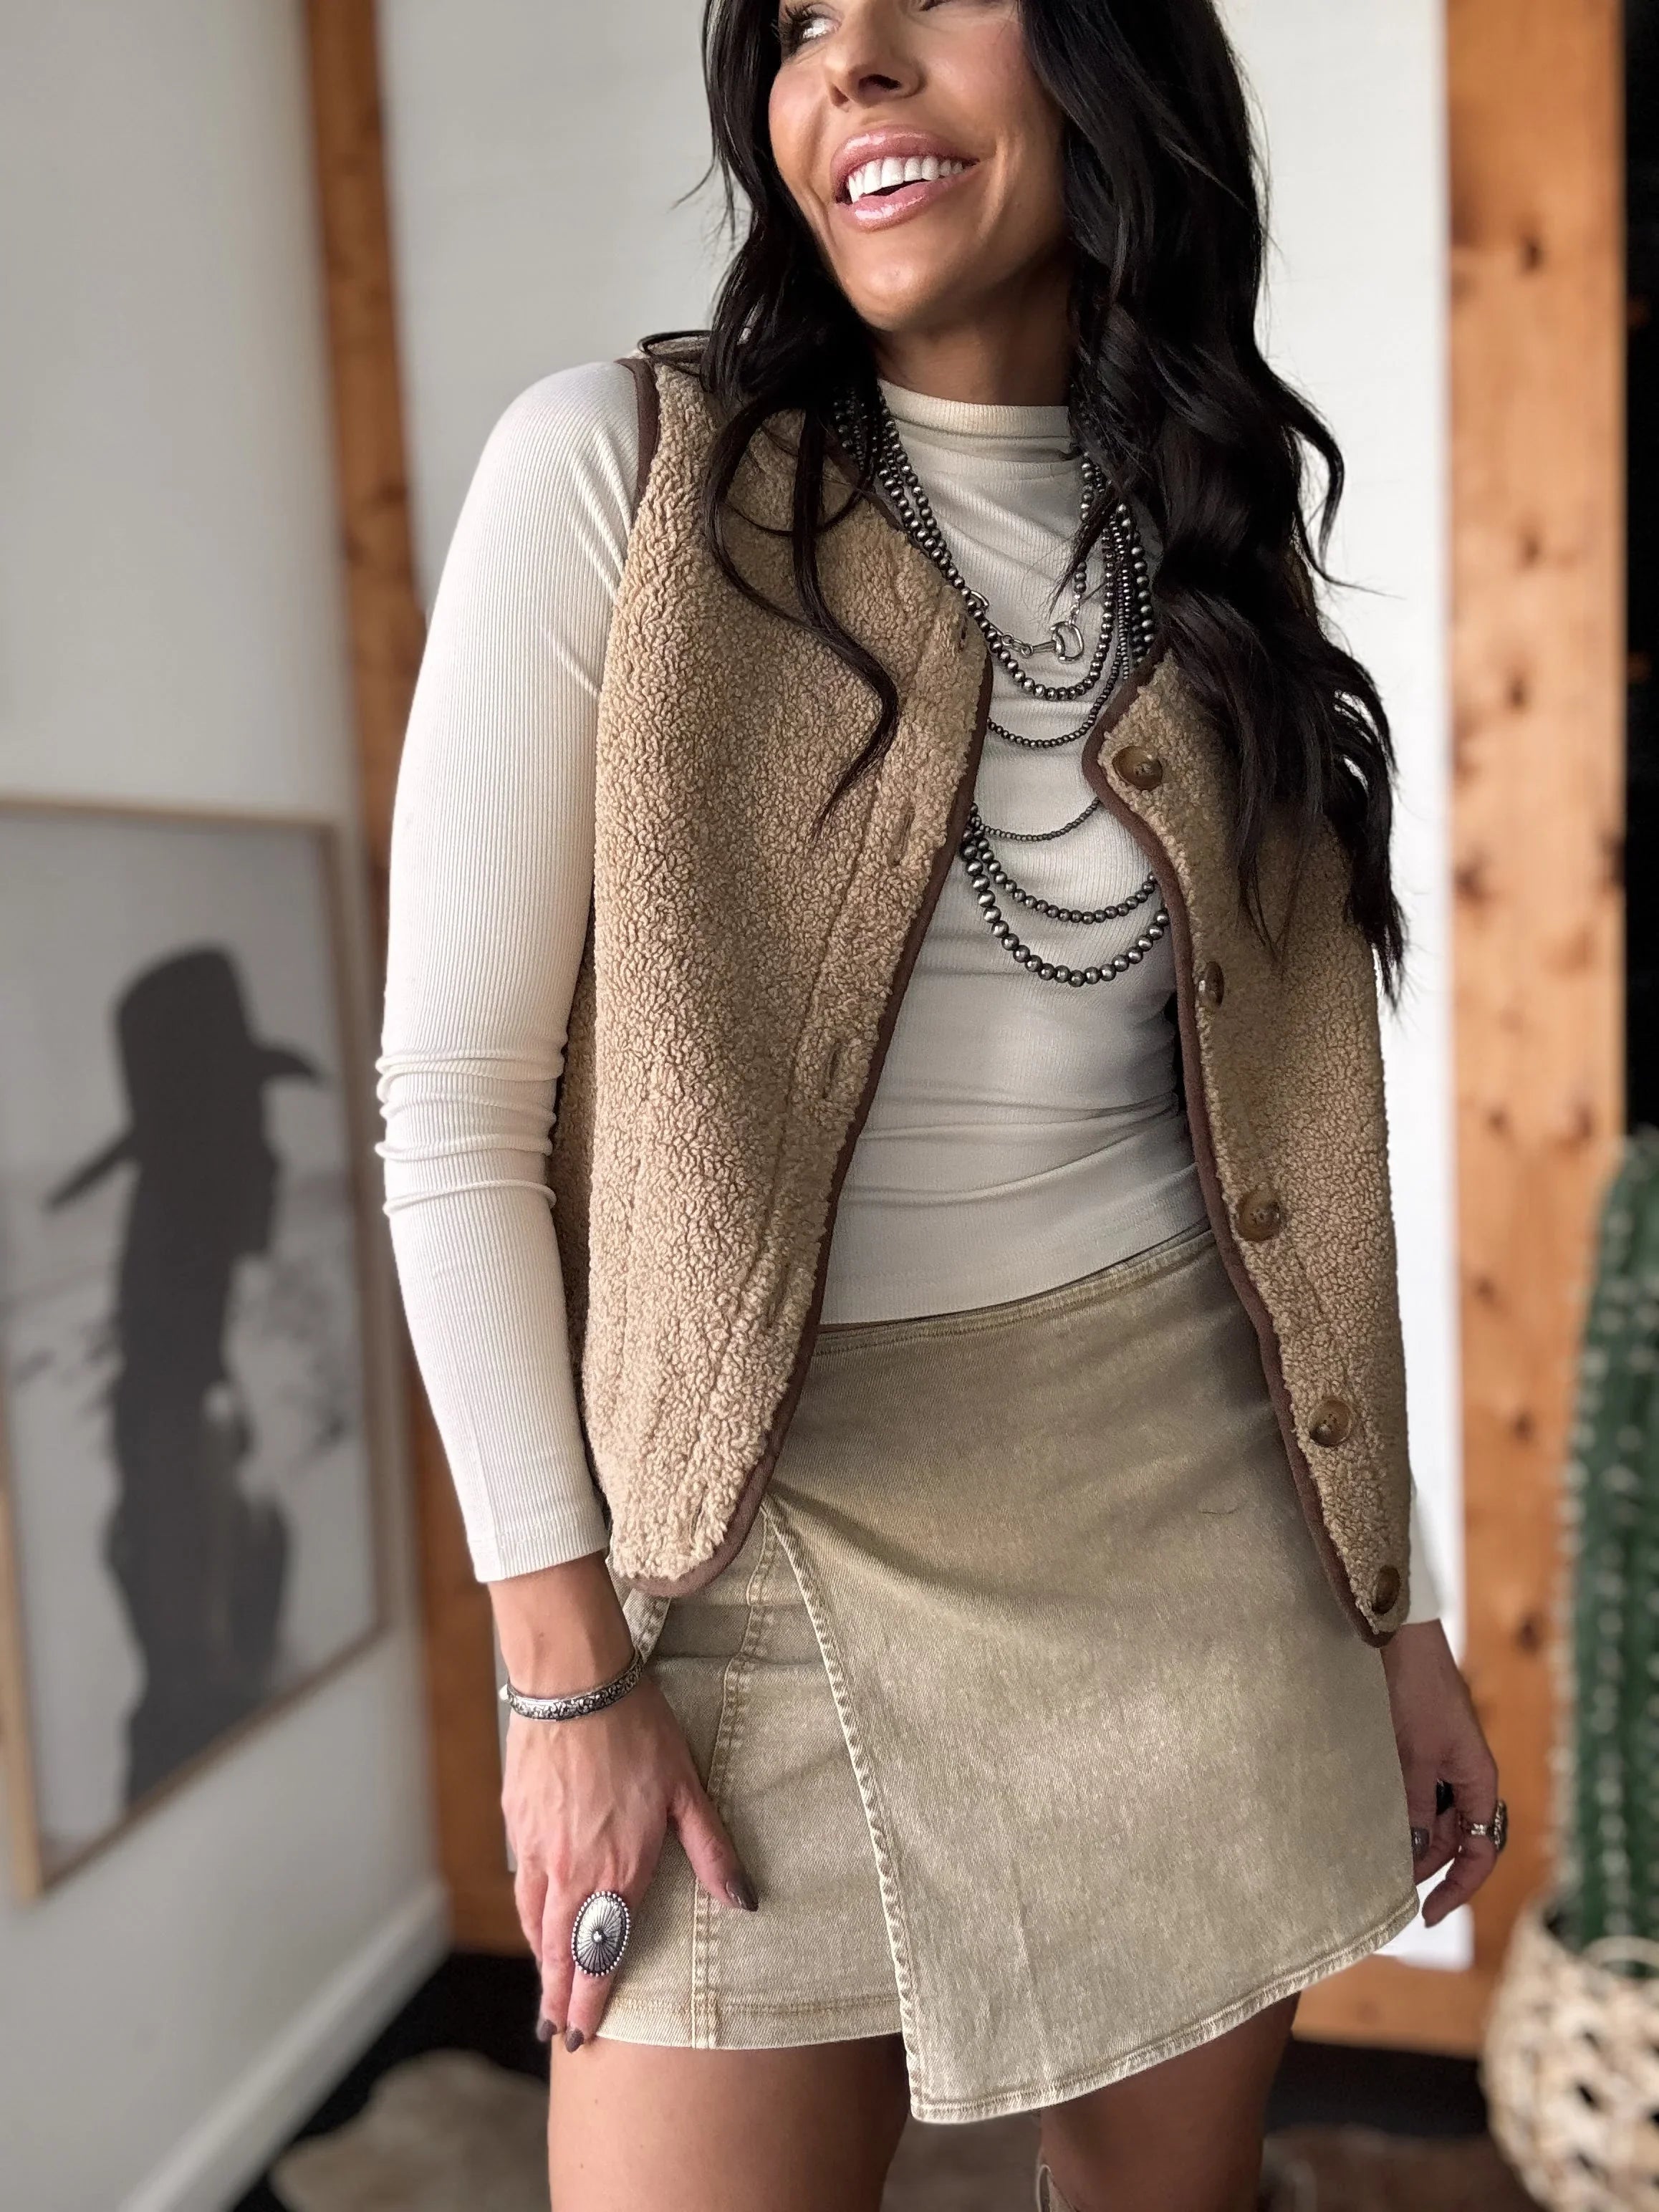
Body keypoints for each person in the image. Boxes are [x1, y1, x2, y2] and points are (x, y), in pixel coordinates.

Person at [378, 4, 1505, 2206]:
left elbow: (1283, 1159)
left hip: (1198, 1534)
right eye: (800, 28)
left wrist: (1397, 1608)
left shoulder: (1199, 542)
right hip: (757, 1541)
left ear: (1106, 62)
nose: (853, 70)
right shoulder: (617, 470)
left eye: (930, 0)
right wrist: (562, 1682)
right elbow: (450, 1114)